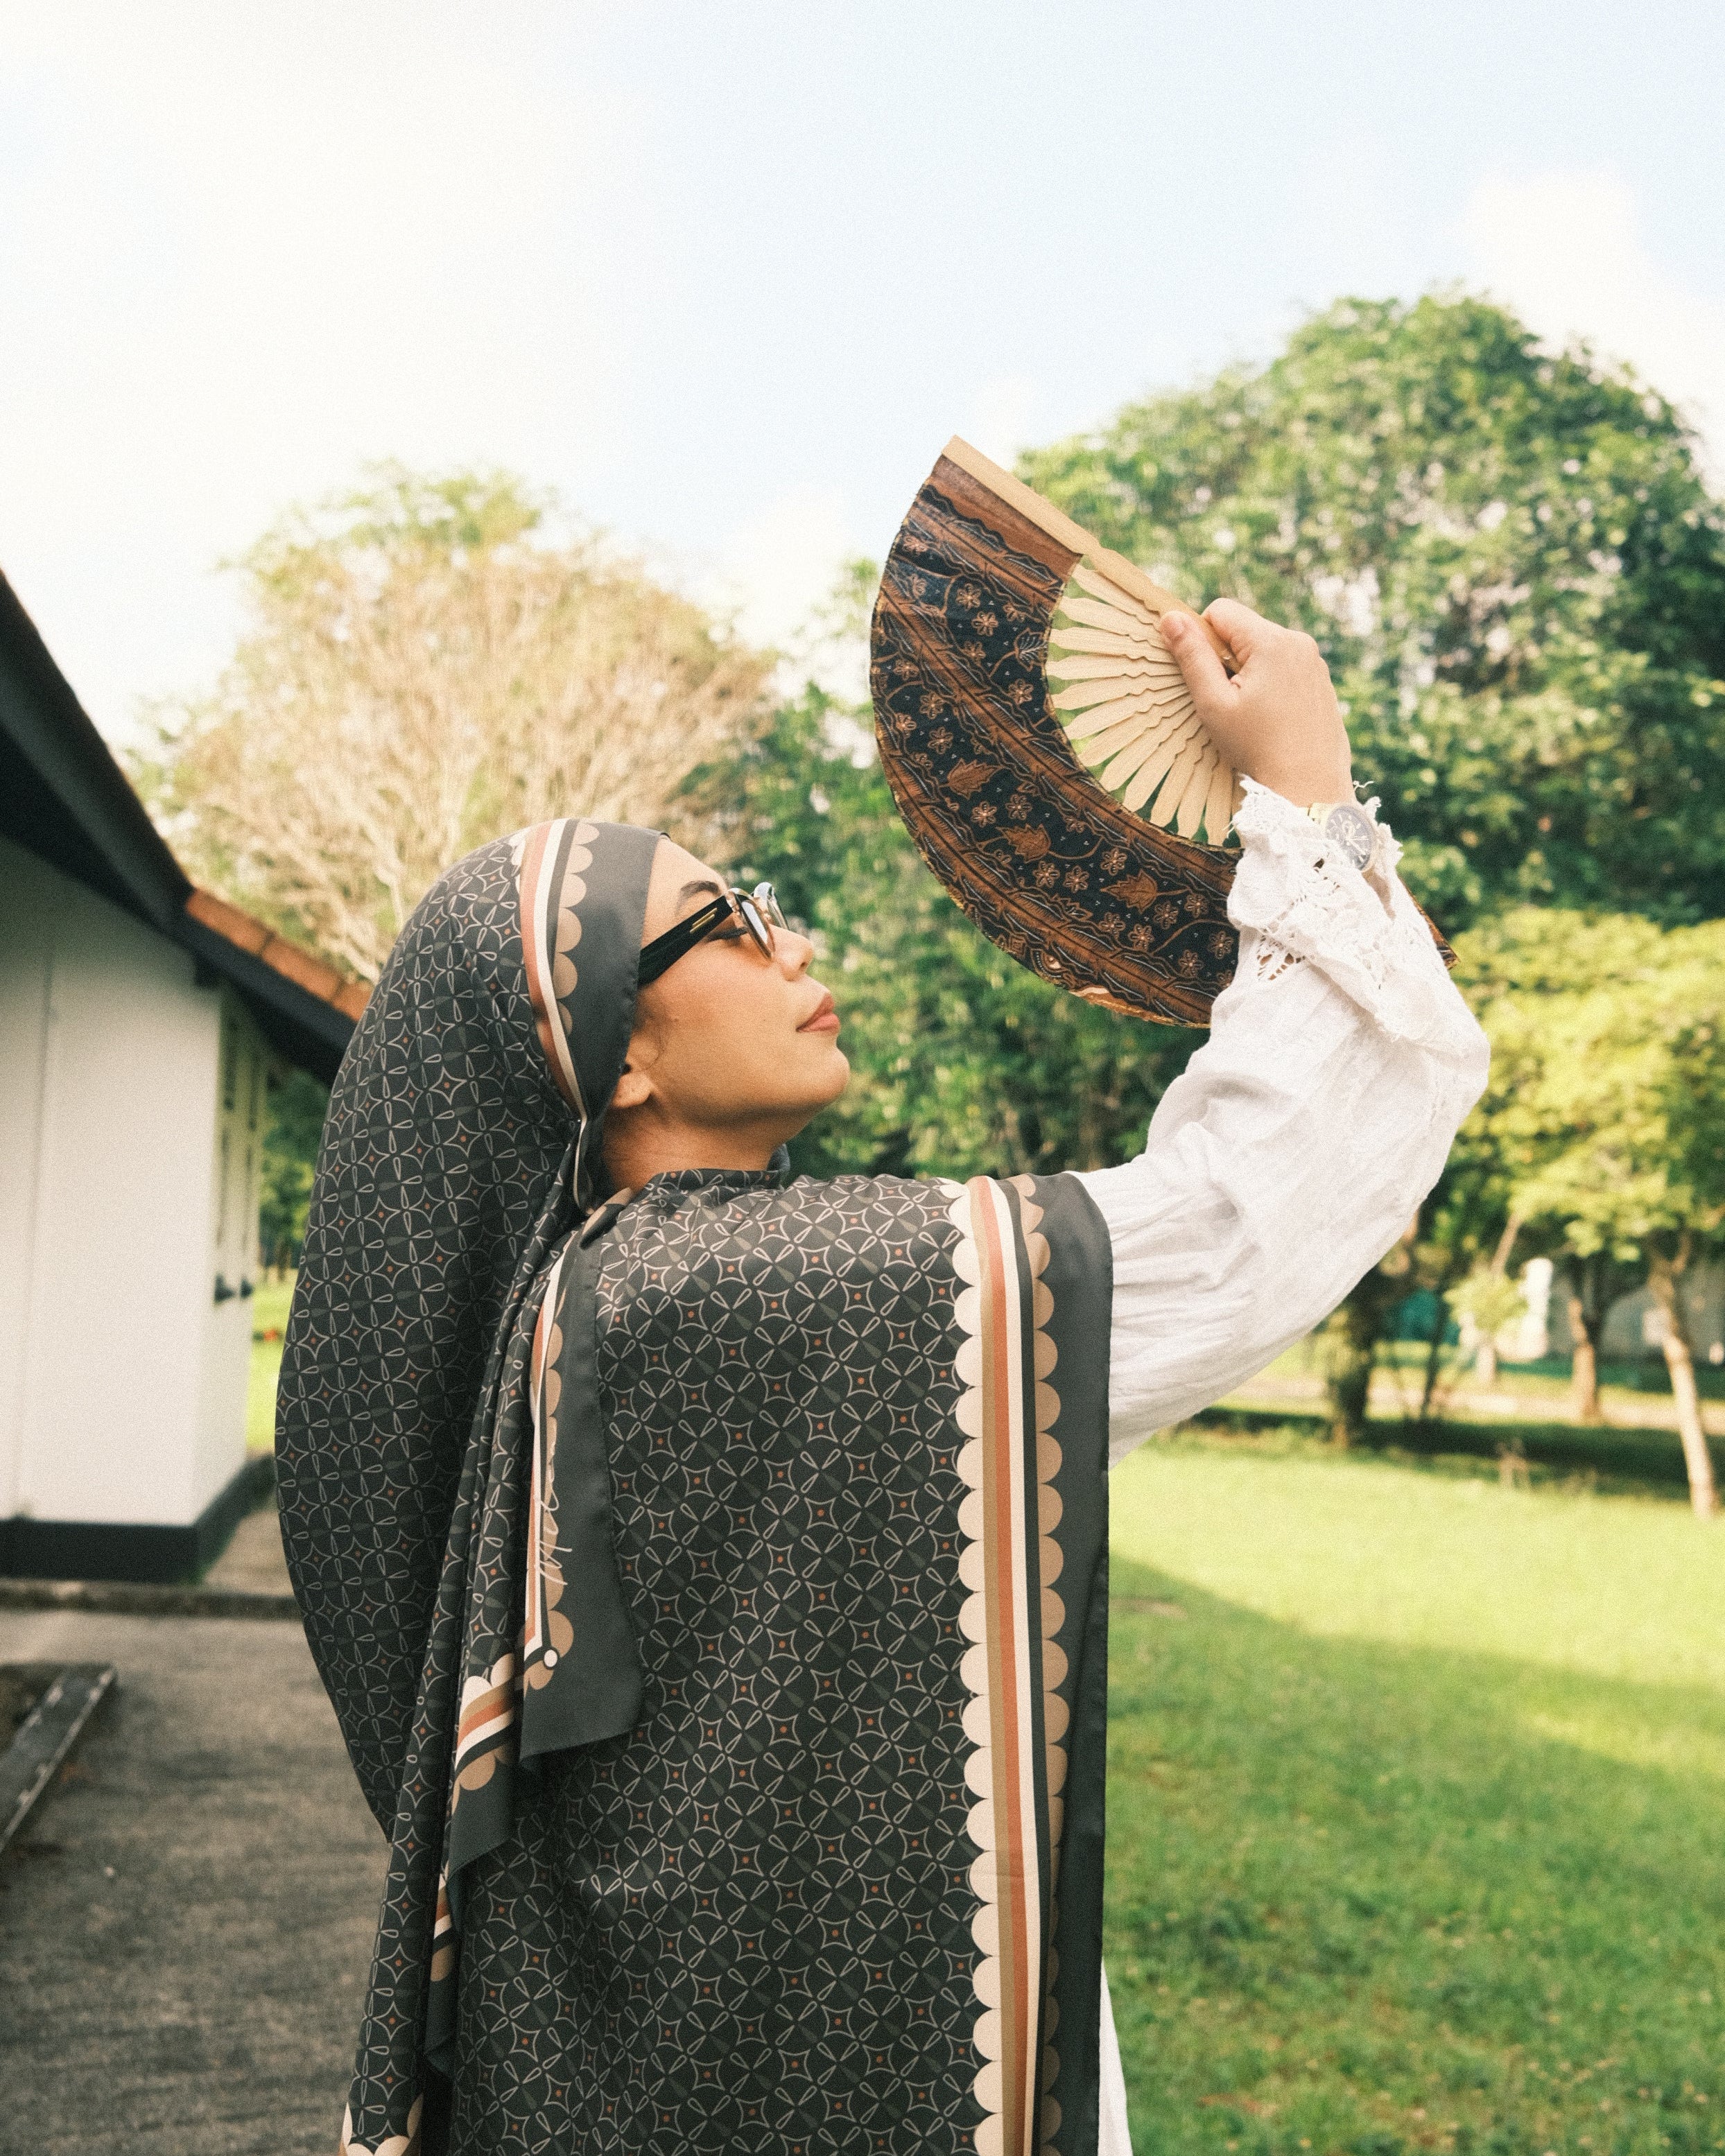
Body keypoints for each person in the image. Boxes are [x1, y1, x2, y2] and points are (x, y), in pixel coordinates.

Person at [278, 598, 1488, 2156]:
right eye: (724, 924)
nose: (792, 947)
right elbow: (1231, 1222)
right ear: (608, 1047)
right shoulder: (699, 1293)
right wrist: (1304, 796)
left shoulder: (633, 1290)